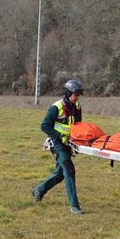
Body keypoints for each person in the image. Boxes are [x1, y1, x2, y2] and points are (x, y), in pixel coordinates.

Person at [32, 79, 84, 214]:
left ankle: (39, 190)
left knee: (60, 174)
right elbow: (44, 126)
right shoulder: (56, 107)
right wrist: (60, 137)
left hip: (68, 143)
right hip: (56, 143)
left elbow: (77, 126)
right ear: (68, 93)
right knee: (69, 170)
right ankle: (74, 206)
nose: (77, 97)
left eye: (79, 94)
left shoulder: (77, 107)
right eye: (75, 94)